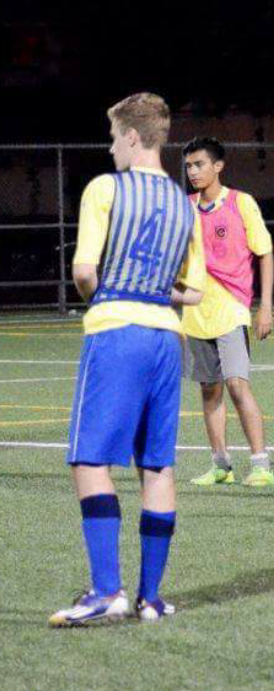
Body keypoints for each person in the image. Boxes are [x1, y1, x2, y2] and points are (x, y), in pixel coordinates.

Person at [49, 93, 205, 627]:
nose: (111, 147)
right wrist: (153, 288)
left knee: (89, 460)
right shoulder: (185, 205)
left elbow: (84, 272)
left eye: (115, 137)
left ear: (133, 137)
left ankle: (106, 590)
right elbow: (193, 291)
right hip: (166, 338)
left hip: (117, 332)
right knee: (156, 466)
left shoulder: (105, 188)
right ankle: (151, 599)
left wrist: (109, 293)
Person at [182, 137, 274, 488]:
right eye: (189, 166)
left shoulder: (241, 203)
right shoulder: (184, 207)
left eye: (199, 164)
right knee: (210, 389)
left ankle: (261, 464)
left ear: (218, 166)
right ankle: (221, 465)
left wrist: (265, 306)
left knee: (237, 384)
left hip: (232, 309)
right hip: (195, 312)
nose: (193, 171)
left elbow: (264, 253)